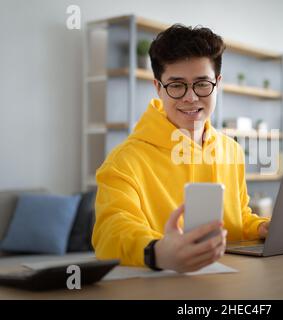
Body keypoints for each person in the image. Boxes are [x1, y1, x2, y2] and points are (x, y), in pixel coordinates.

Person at [92, 24, 270, 273]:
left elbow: (238, 215)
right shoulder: (124, 161)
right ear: (158, 87)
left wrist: (261, 227)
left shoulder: (231, 150)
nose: (191, 97)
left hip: (231, 284)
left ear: (217, 83)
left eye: (202, 84)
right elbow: (111, 231)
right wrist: (157, 250)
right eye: (176, 85)